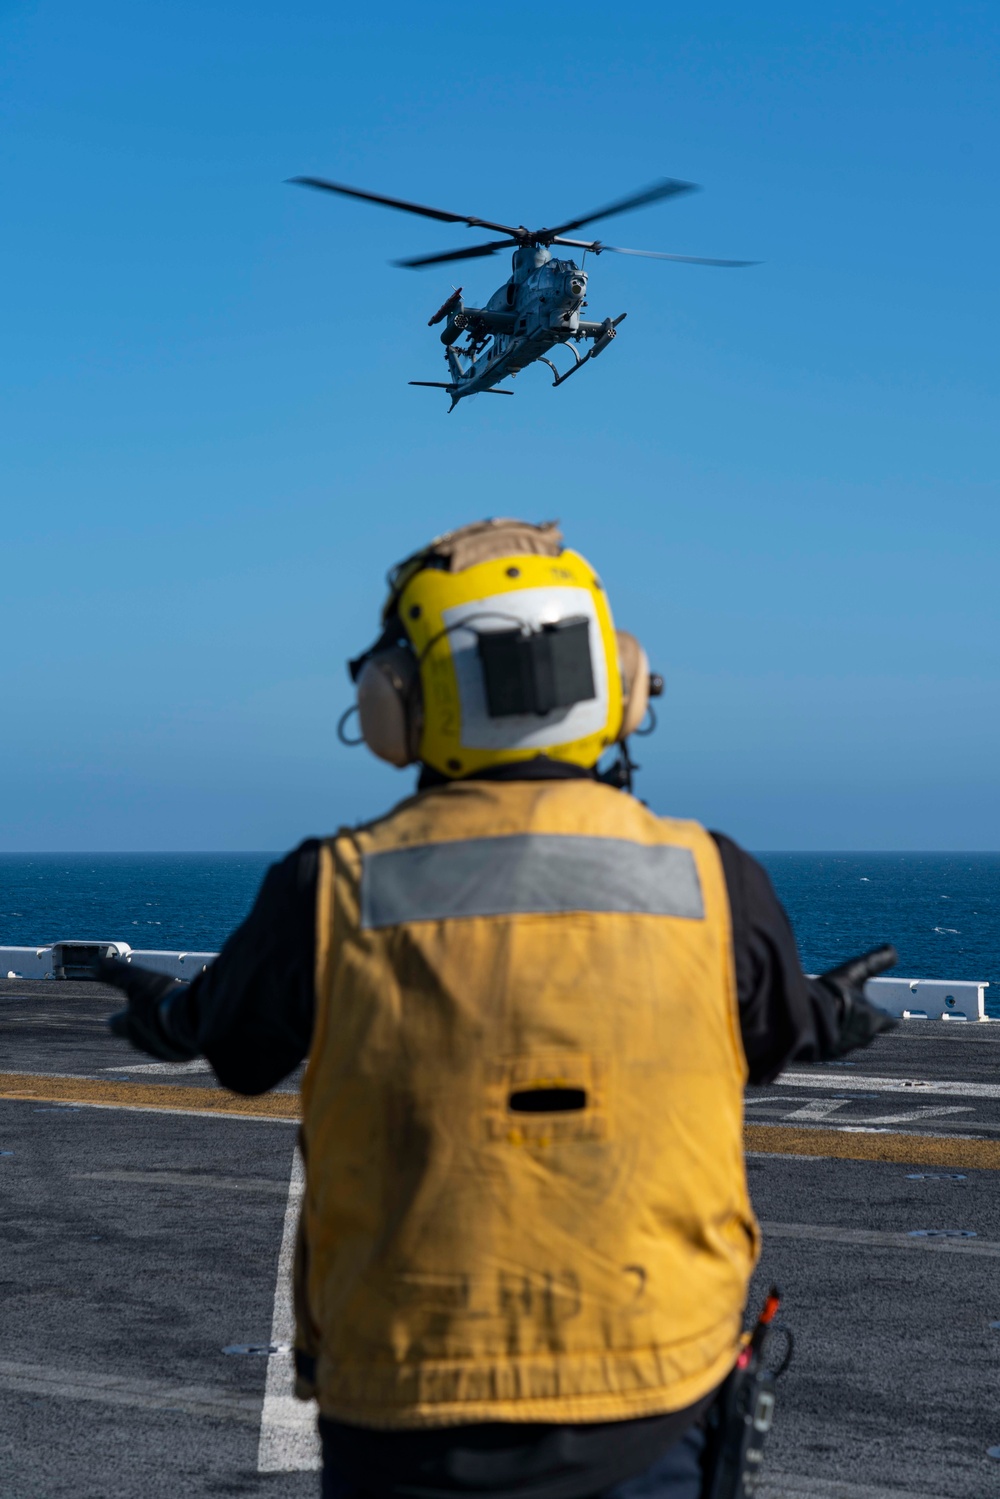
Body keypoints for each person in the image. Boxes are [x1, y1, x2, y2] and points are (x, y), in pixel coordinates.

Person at [102, 518, 896, 1499]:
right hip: (654, 1395)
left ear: (399, 699)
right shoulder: (707, 875)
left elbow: (233, 1046)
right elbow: (779, 1031)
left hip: (407, 1407)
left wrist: (160, 1009)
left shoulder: (332, 887)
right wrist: (833, 1007)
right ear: (619, 683)